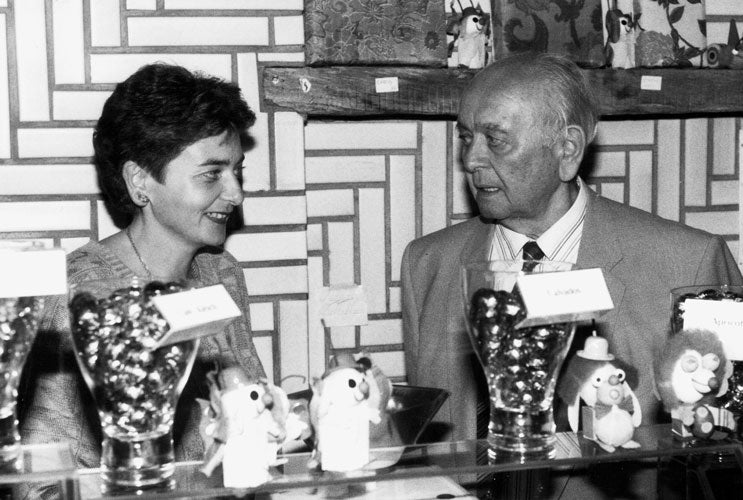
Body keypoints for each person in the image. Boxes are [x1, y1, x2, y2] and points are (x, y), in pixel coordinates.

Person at [401, 51, 743, 446]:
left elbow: (725, 441)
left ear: (567, 149)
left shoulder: (690, 264)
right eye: (466, 137)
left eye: (495, 139)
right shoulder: (425, 265)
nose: (472, 159)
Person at [19, 63, 265, 475]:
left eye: (237, 170)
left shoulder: (221, 273)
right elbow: (41, 474)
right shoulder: (78, 292)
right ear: (140, 181)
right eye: (212, 174)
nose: (236, 193)